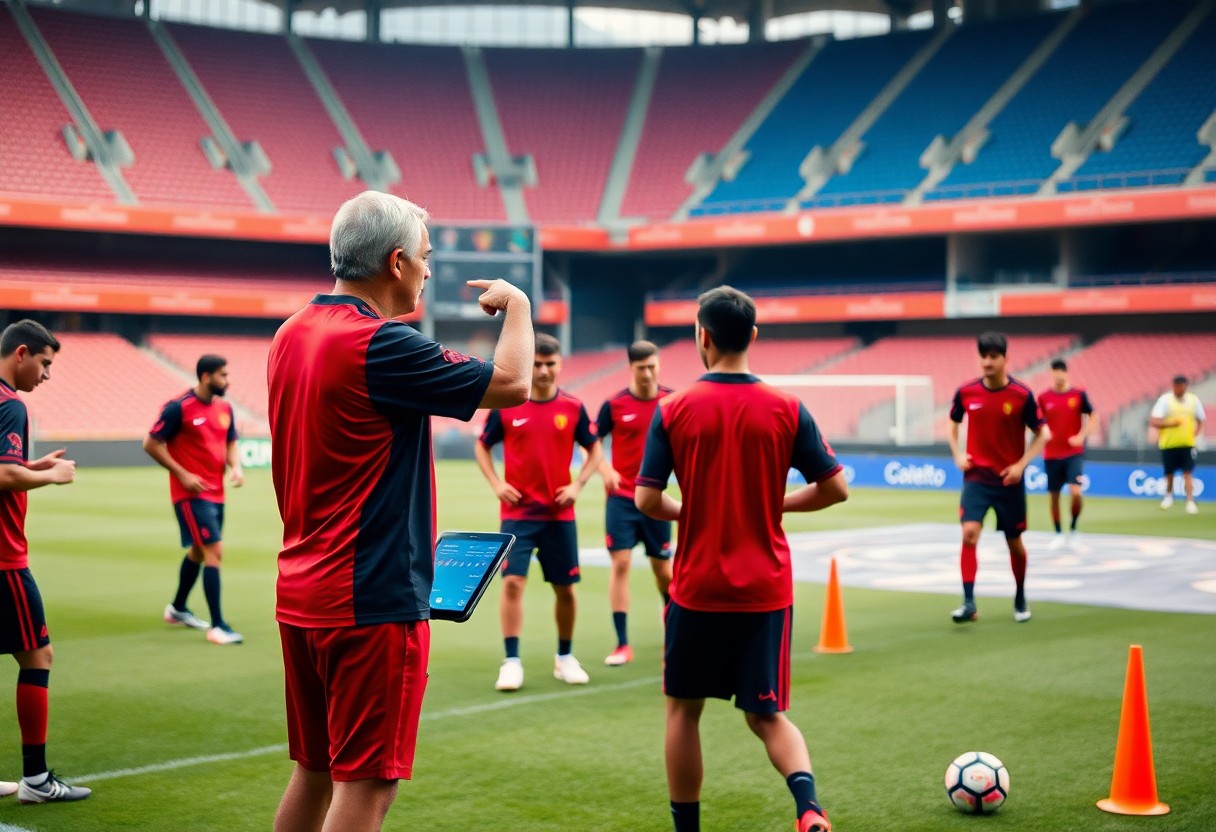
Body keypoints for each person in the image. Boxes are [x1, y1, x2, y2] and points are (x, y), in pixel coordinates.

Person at [267, 191, 532, 832]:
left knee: (314, 770)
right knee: (367, 786)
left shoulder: (290, 333)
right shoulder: (379, 344)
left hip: (301, 590)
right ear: (395, 262)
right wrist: (520, 306)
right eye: (425, 256)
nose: (429, 269)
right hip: (370, 599)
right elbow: (513, 383)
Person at [635, 287, 848, 832]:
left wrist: (694, 510)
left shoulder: (673, 409)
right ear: (752, 335)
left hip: (697, 587)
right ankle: (809, 809)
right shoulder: (787, 408)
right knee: (767, 715)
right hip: (765, 589)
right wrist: (775, 503)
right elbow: (835, 488)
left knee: (683, 711)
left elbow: (647, 500)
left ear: (701, 336)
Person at [476, 332, 603, 692]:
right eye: (537, 364)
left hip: (559, 516)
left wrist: (577, 486)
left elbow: (594, 449)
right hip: (517, 515)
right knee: (512, 583)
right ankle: (511, 661)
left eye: (550, 364)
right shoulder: (508, 404)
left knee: (565, 588)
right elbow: (482, 447)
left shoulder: (573, 407)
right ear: (529, 365)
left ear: (560, 364)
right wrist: (497, 484)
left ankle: (565, 657)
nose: (544, 371)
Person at [0, 320, 91, 803]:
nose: (47, 375)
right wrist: (51, 475)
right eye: (44, 364)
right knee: (38, 656)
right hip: (4, 560)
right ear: (22, 353)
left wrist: (27, 468)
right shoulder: (10, 403)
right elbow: (3, 477)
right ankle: (35, 780)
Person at [947, 332, 1050, 624]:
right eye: (983, 356)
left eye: (993, 356)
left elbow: (1044, 433)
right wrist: (957, 454)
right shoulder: (966, 392)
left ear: (1006, 359)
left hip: (1009, 482)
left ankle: (1020, 596)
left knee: (1014, 542)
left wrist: (1021, 465)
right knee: (969, 533)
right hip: (976, 478)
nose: (987, 362)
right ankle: (969, 603)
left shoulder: (1021, 395)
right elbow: (951, 425)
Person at [143, 355, 244, 645]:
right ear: (206, 376)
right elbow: (151, 443)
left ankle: (177, 608)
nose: (227, 381)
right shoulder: (178, 408)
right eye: (223, 375)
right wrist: (182, 474)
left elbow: (231, 441)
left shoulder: (225, 408)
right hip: (191, 494)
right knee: (214, 550)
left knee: (199, 552)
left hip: (217, 493)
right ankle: (219, 626)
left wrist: (236, 466)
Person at [595, 340, 674, 666]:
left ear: (658, 365)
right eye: (642, 368)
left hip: (656, 500)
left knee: (664, 571)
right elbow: (591, 442)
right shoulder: (614, 405)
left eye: (652, 366)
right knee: (621, 565)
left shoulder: (671, 402)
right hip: (622, 499)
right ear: (631, 367)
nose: (648, 373)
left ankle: (673, 638)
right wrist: (605, 469)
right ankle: (622, 644)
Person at [1037, 358, 1095, 550]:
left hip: (1073, 453)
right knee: (1053, 497)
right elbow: (1037, 421)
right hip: (1051, 454)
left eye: (1061, 371)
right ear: (1051, 373)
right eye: (1055, 371)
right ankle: (1058, 533)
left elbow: (1093, 416)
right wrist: (1042, 431)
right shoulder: (1044, 398)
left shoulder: (1078, 395)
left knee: (1076, 493)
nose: (1058, 375)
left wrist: (1082, 435)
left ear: (1066, 373)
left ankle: (1074, 529)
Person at [1150, 374, 1205, 515]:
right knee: (1169, 472)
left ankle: (1190, 501)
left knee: (1188, 472)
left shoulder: (1193, 400)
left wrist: (1197, 434)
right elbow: (1154, 421)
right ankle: (1168, 496)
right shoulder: (1165, 400)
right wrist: (1170, 424)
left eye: (1180, 386)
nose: (1177, 389)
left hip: (1187, 443)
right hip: (1168, 444)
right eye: (1175, 386)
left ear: (1185, 386)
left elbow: (1201, 420)